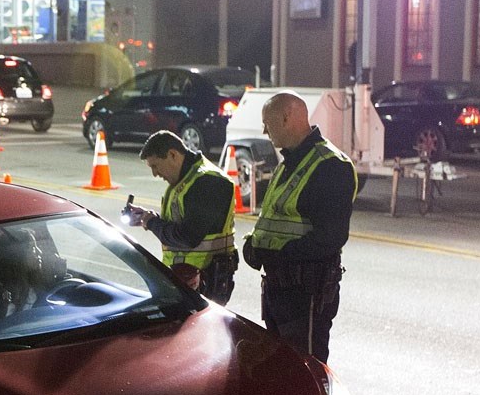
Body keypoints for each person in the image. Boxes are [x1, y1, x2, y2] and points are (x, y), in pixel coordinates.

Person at [244, 91, 356, 363]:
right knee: (283, 371)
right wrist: (254, 244)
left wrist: (275, 255)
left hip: (305, 294)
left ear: (285, 118)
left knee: (305, 372)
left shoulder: (330, 165)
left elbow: (330, 238)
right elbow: (274, 219)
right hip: (279, 290)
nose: (264, 130)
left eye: (267, 122)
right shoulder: (290, 162)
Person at [127, 130, 238, 304]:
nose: (155, 174)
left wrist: (151, 222)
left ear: (173, 155)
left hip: (206, 281)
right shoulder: (185, 179)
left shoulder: (207, 182)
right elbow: (180, 223)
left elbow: (188, 236)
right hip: (188, 279)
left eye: (155, 166)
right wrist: (146, 218)